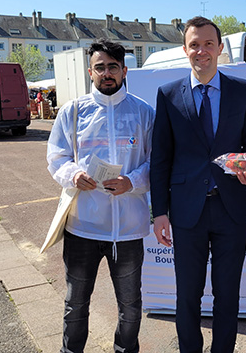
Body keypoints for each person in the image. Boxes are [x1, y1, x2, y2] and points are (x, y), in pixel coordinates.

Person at [150, 16, 246, 353]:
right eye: (195, 44)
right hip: (187, 212)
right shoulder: (168, 95)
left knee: (228, 295)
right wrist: (160, 213)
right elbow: (161, 159)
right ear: (185, 50)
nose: (202, 51)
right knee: (187, 295)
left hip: (231, 208)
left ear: (219, 48)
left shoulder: (241, 91)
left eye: (208, 44)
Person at [47, 38, 154, 353]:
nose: (106, 73)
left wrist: (131, 182)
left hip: (128, 229)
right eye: (99, 67)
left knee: (131, 304)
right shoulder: (75, 111)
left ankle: (125, 349)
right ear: (90, 72)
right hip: (83, 226)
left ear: (123, 70)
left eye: (112, 67)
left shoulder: (144, 112)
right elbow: (57, 156)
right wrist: (72, 174)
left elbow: (158, 162)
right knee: (76, 302)